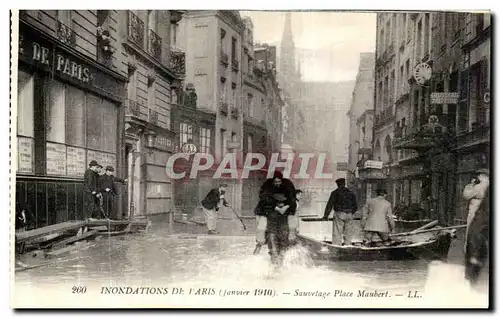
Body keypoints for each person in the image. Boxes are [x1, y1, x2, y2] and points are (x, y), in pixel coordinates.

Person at [463, 168, 490, 287]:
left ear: (481, 176)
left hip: (476, 215)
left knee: (471, 240)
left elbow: (466, 195)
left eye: (479, 175)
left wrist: (471, 184)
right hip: (485, 216)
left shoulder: (479, 186)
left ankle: (471, 276)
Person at [322, 178, 358, 245]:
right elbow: (355, 206)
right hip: (349, 214)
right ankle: (348, 245)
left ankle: (337, 245)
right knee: (348, 232)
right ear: (344, 184)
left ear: (337, 184)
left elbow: (329, 205)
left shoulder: (335, 192)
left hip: (340, 214)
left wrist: (325, 216)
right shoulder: (351, 193)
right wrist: (350, 212)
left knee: (337, 232)